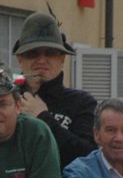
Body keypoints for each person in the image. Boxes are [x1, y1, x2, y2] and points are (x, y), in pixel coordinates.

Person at [12, 12, 96, 167]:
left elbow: (88, 157)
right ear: (20, 59)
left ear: (62, 58)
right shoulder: (5, 99)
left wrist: (43, 117)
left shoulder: (82, 103)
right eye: (32, 53)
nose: (41, 60)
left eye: (50, 53)